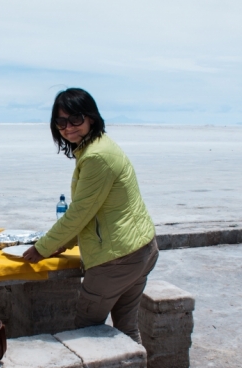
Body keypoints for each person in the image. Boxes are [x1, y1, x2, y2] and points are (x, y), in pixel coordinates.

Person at [23, 88, 158, 344]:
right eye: (61, 122)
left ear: (91, 118)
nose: (68, 127)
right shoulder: (98, 147)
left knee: (85, 330)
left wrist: (43, 248)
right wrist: (65, 243)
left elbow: (80, 212)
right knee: (127, 329)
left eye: (75, 119)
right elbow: (98, 211)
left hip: (117, 259)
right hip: (141, 248)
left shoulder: (96, 156)